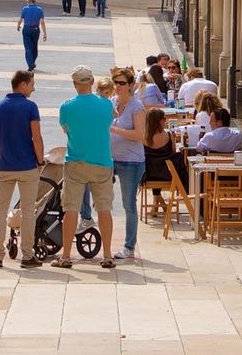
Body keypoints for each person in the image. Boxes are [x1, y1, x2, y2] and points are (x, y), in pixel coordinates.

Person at [55, 66, 117, 269]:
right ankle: (107, 255)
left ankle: (65, 256)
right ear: (91, 82)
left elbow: (66, 130)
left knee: (71, 209)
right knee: (104, 208)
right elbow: (111, 119)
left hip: (75, 161)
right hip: (101, 161)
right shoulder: (106, 104)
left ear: (75, 84)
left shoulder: (66, 107)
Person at [0, 69, 45, 268]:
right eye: (31, 84)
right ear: (23, 85)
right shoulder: (30, 107)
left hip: (4, 166)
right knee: (29, 210)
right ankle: (27, 255)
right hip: (27, 166)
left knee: (0, 209)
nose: (33, 88)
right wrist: (40, 161)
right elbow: (36, 138)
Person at [104, 68, 147, 262]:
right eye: (116, 82)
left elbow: (140, 135)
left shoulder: (136, 106)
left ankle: (129, 246)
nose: (118, 86)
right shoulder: (111, 102)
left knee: (128, 205)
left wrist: (114, 128)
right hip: (110, 159)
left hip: (131, 161)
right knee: (101, 199)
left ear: (130, 85)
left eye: (122, 83)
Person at [139, 106, 192, 195]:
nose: (165, 121)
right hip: (168, 175)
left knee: (153, 161)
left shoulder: (143, 139)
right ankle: (186, 191)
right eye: (164, 119)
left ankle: (157, 201)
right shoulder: (168, 136)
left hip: (149, 176)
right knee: (178, 157)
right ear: (158, 121)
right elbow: (173, 153)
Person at [17, 0, 47, 72]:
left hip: (27, 28)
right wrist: (45, 33)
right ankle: (32, 62)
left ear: (28, 2)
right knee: (34, 46)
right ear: (35, 1)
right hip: (36, 29)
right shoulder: (39, 10)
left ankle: (30, 64)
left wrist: (18, 25)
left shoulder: (25, 9)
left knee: (28, 47)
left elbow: (21, 19)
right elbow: (42, 22)